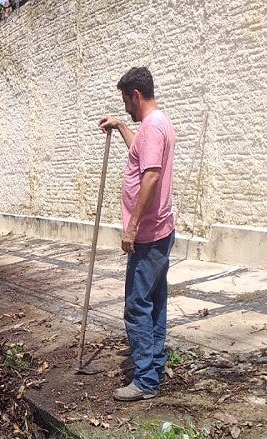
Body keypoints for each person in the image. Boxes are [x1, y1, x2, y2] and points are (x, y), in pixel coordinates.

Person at [98, 67, 176, 402]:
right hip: (158, 231)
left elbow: (152, 176)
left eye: (126, 102)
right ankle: (154, 366)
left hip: (148, 235)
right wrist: (120, 125)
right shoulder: (152, 126)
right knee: (154, 302)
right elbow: (139, 153)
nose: (126, 107)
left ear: (136, 96)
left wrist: (131, 227)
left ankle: (145, 380)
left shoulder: (154, 127)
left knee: (136, 305)